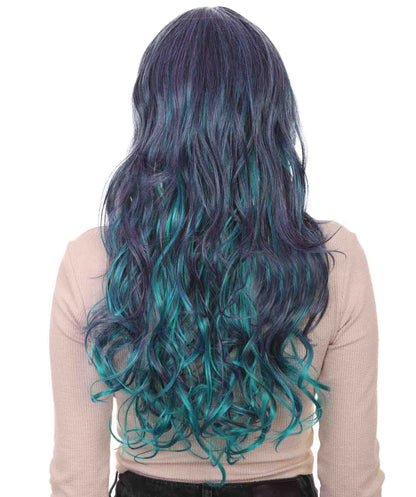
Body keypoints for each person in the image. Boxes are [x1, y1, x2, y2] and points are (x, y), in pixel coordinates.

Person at [48, 6, 385, 497]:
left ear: (154, 119)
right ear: (272, 121)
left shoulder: (92, 263)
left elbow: (77, 480)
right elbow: (352, 481)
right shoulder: (335, 261)